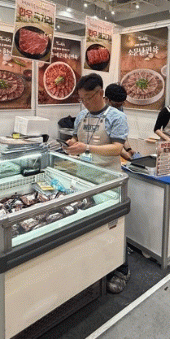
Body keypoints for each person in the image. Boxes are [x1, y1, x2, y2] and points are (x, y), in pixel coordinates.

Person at [65, 74, 130, 293]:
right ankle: (97, 267)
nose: (84, 102)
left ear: (100, 93)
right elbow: (77, 138)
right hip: (84, 177)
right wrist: (73, 143)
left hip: (108, 179)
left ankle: (121, 270)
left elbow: (117, 148)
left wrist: (86, 148)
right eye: (81, 98)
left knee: (114, 225)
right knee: (91, 227)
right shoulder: (81, 116)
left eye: (88, 97)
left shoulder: (116, 117)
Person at [104, 83, 135, 160]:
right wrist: (126, 155)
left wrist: (129, 149)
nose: (119, 107)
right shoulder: (100, 112)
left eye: (121, 104)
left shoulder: (119, 110)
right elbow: (110, 140)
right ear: (107, 100)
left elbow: (120, 133)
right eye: (117, 104)